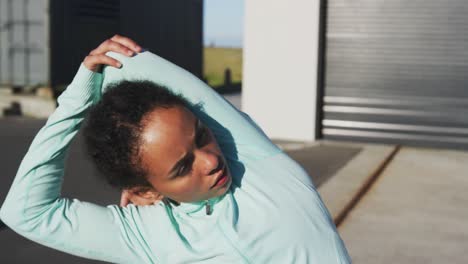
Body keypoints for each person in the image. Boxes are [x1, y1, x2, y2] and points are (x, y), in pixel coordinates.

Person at [0, 35, 351, 263]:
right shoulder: (145, 236)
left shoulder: (255, 163)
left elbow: (129, 62)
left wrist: (91, 72)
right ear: (145, 191)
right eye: (182, 168)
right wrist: (73, 104)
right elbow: (23, 212)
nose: (213, 160)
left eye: (201, 136)